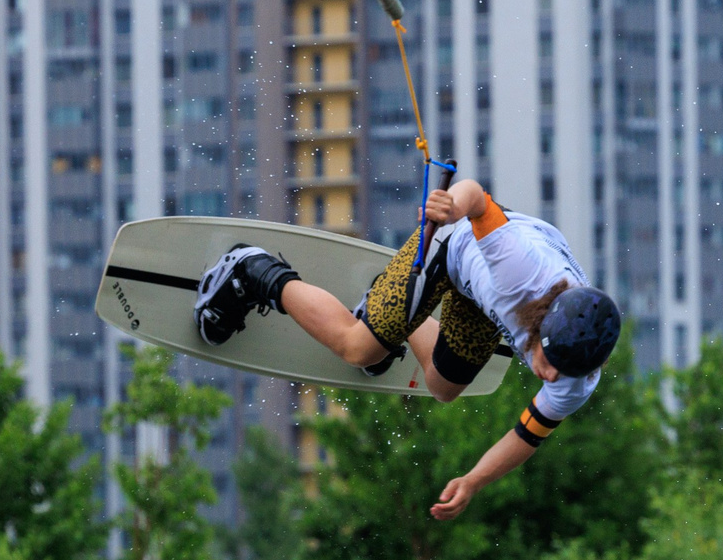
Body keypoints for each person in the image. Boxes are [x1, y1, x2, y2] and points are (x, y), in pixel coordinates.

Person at [192, 179, 622, 521]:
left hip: (480, 300)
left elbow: (527, 434)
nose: (549, 376)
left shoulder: (577, 377)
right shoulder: (518, 270)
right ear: (540, 322)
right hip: (453, 246)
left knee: (443, 387)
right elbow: (475, 195)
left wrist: (473, 481)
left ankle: (380, 309)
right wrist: (451, 205)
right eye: (550, 362)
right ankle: (253, 270)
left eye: (562, 371)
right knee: (357, 348)